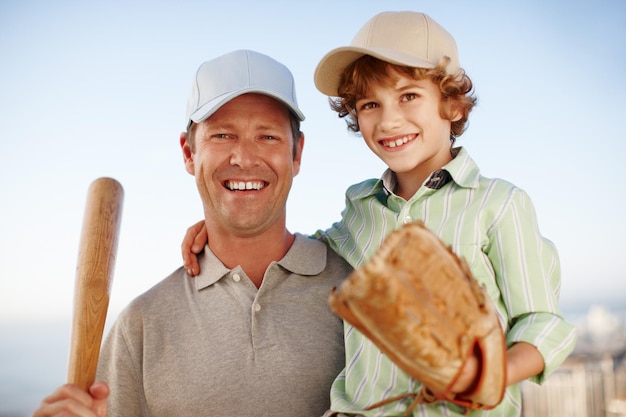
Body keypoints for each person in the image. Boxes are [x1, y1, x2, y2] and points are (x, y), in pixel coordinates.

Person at [181, 11, 577, 417]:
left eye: (408, 95)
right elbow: (296, 251)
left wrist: (486, 375)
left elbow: (544, 324)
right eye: (370, 104)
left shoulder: (498, 204)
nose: (389, 120)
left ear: (453, 105)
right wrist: (223, 232)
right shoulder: (360, 209)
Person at [32, 49, 352, 417]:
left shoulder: (361, 291)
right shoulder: (141, 325)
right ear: (188, 153)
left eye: (267, 137)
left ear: (297, 155)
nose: (245, 158)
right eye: (222, 135)